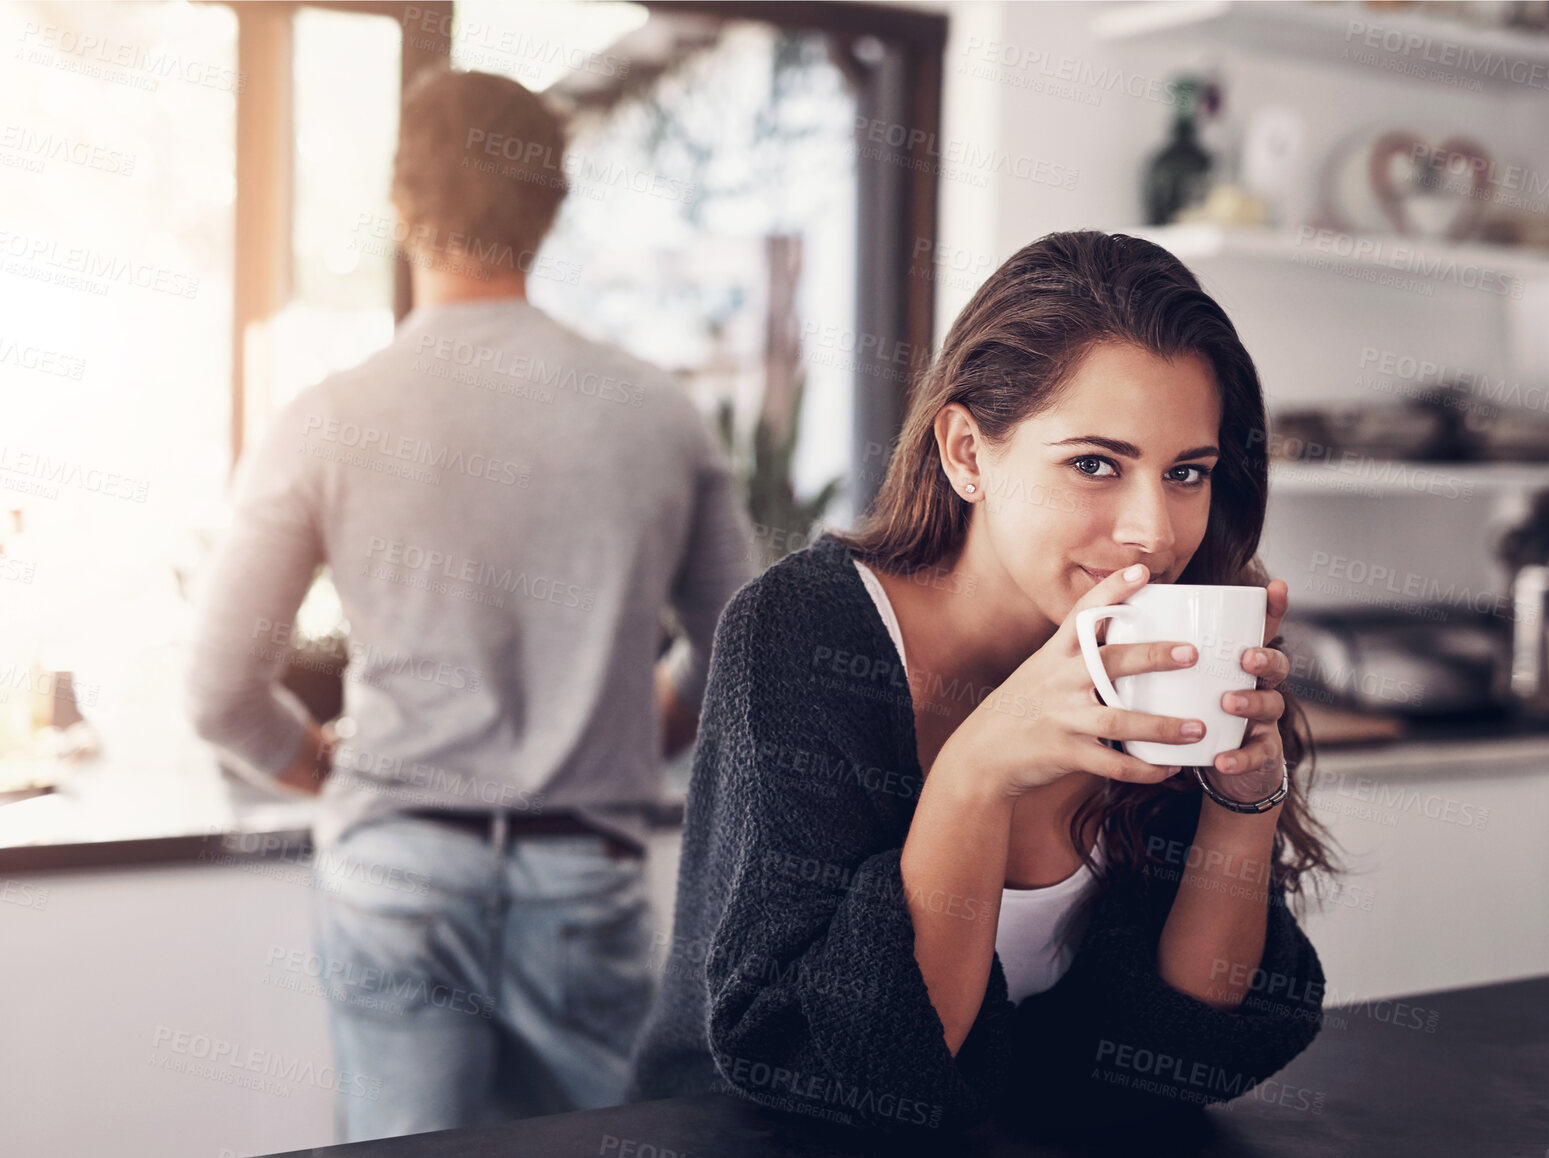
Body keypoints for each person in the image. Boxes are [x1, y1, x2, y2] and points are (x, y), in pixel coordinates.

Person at [625, 230, 1340, 1138]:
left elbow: (1187, 1045)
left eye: (1185, 473)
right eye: (1094, 464)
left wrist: (1241, 803)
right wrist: (977, 770)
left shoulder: (1174, 638)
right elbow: (859, 1062)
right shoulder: (804, 634)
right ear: (967, 453)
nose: (1152, 533)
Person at [186, 67, 753, 1140]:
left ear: (404, 207)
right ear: (549, 210)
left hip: (395, 869)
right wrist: (643, 721)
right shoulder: (655, 415)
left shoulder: (330, 417)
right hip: (584, 872)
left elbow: (220, 691)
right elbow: (744, 643)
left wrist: (324, 767)